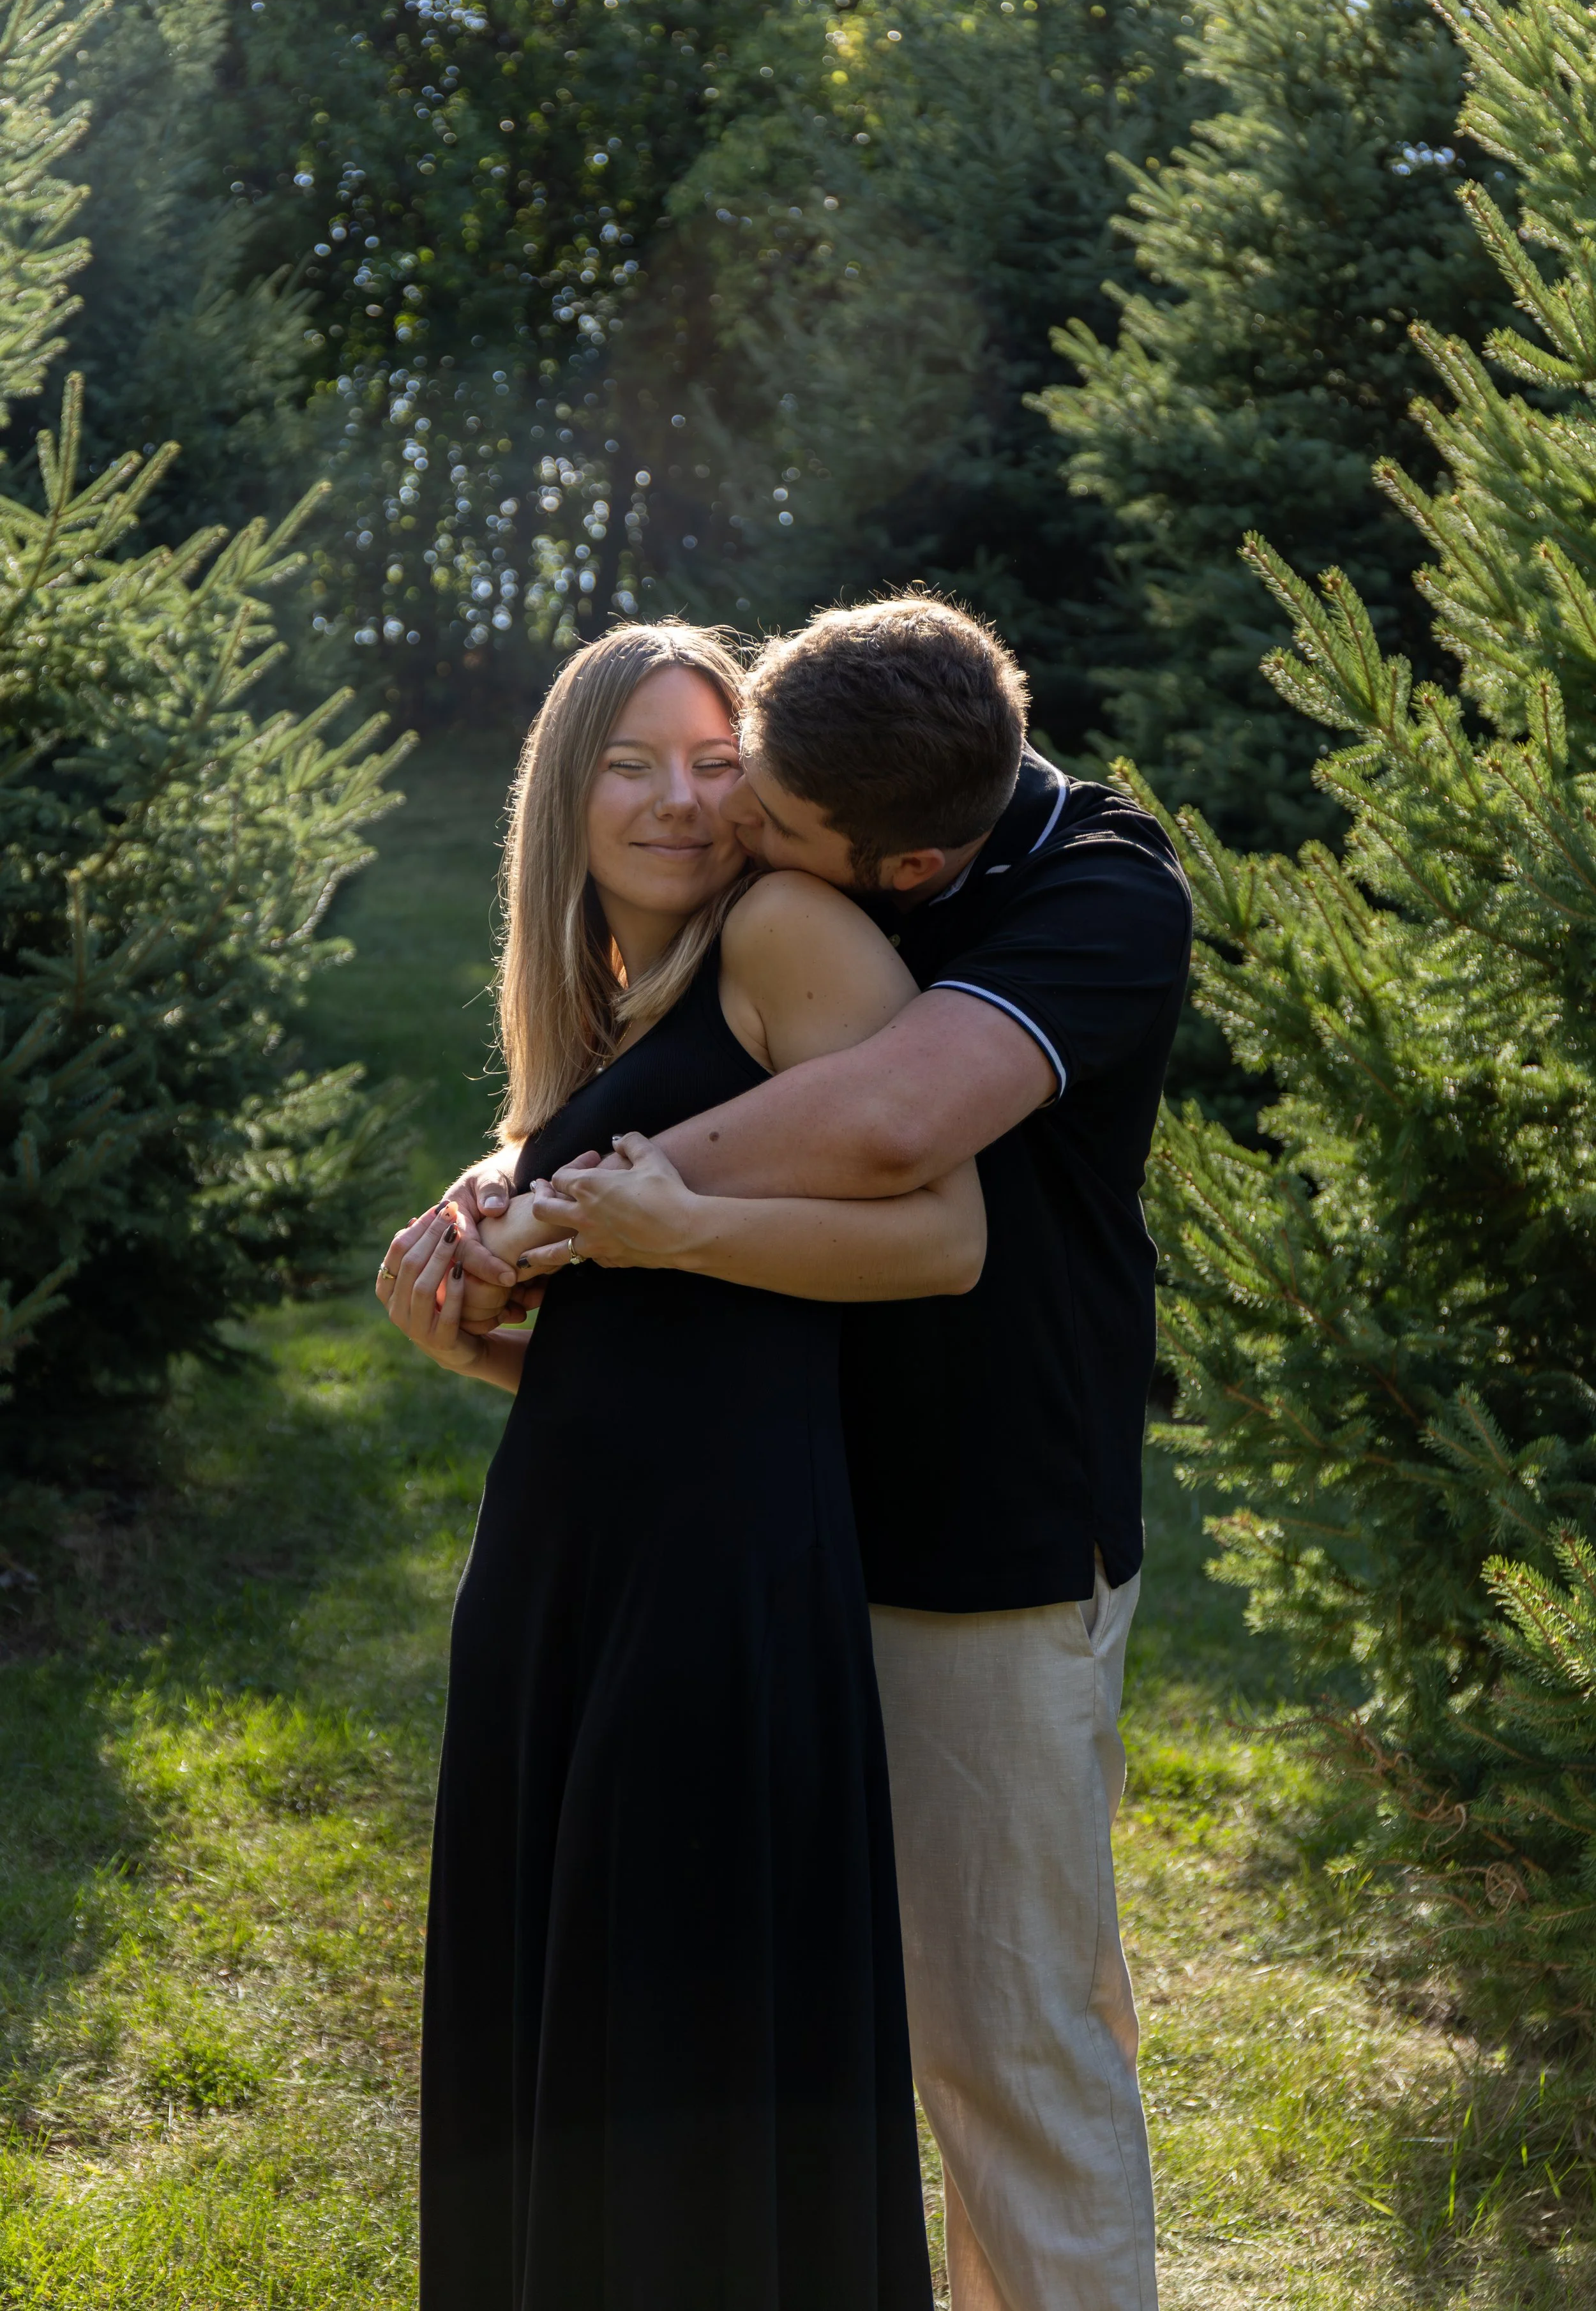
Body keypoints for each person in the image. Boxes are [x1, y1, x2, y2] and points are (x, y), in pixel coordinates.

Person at [448, 596, 1194, 2311]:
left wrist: (577, 1210)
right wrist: (514, 1235)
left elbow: (887, 1129)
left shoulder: (1097, 893)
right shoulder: (849, 805)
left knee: (1007, 2048)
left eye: (760, 810)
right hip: (791, 1533)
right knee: (798, 2039)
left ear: (904, 865)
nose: (726, 824)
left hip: (979, 1542)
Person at [376, 621, 990, 2311]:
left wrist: (685, 1228)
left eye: (713, 760)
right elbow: (625, 1320)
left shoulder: (787, 932)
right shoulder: (592, 999)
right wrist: (470, 1327)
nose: (676, 796)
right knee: (569, 2007)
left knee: (676, 2012)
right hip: (567, 1552)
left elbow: (941, 1235)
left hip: (725, 1554)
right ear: (564, 796)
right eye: (632, 762)